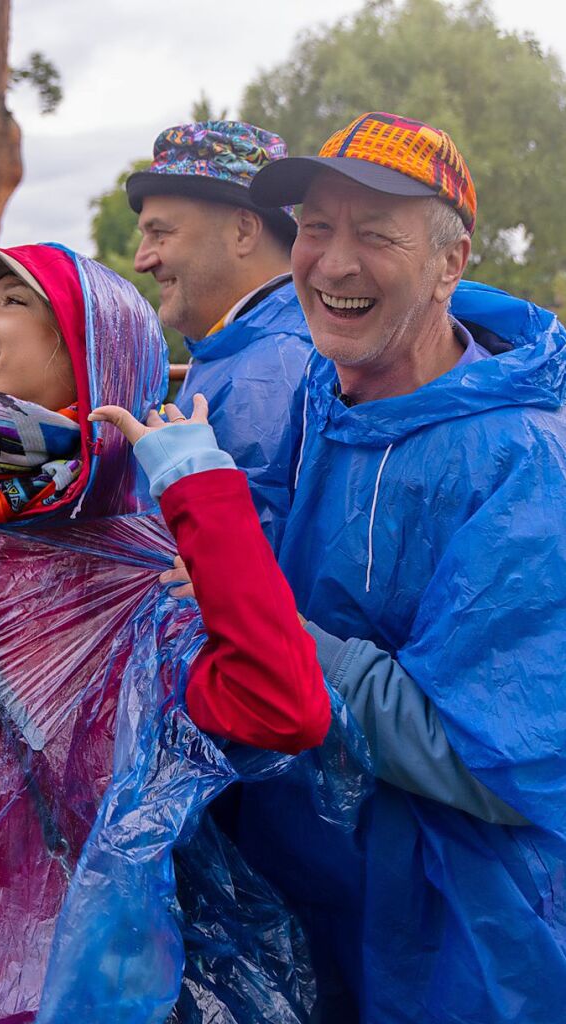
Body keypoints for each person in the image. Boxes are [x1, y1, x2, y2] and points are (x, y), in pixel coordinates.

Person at [95, 112, 566, 1023]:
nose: (333, 263)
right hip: (308, 905)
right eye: (315, 228)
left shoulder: (522, 465)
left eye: (375, 234)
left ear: (449, 263)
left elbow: (501, 765)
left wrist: (277, 629)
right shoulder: (319, 391)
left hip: (456, 943)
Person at [0, 240, 329, 1020]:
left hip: (50, 990)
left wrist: (203, 493)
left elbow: (282, 709)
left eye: (15, 301)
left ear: (96, 350)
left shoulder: (147, 570)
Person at [127, 120, 312, 550]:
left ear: (244, 231)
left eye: (160, 232)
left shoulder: (278, 366)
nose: (141, 260)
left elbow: (222, 574)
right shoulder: (236, 350)